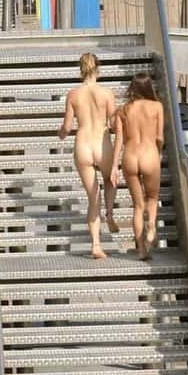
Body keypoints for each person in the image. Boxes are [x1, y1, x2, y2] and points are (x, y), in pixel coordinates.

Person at [58, 53, 117, 260]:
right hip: (102, 143)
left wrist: (61, 134)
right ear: (98, 69)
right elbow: (113, 123)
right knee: (110, 180)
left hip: (83, 144)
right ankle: (109, 212)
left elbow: (66, 127)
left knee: (93, 197)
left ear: (80, 70)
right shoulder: (107, 93)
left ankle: (96, 245)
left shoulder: (73, 94)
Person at [111, 73, 164, 261]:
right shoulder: (157, 107)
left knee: (137, 205)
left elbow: (118, 141)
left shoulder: (123, 110)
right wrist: (159, 153)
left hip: (130, 156)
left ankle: (141, 249)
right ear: (149, 87)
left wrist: (113, 167)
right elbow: (159, 137)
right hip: (149, 154)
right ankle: (151, 225)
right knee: (153, 197)